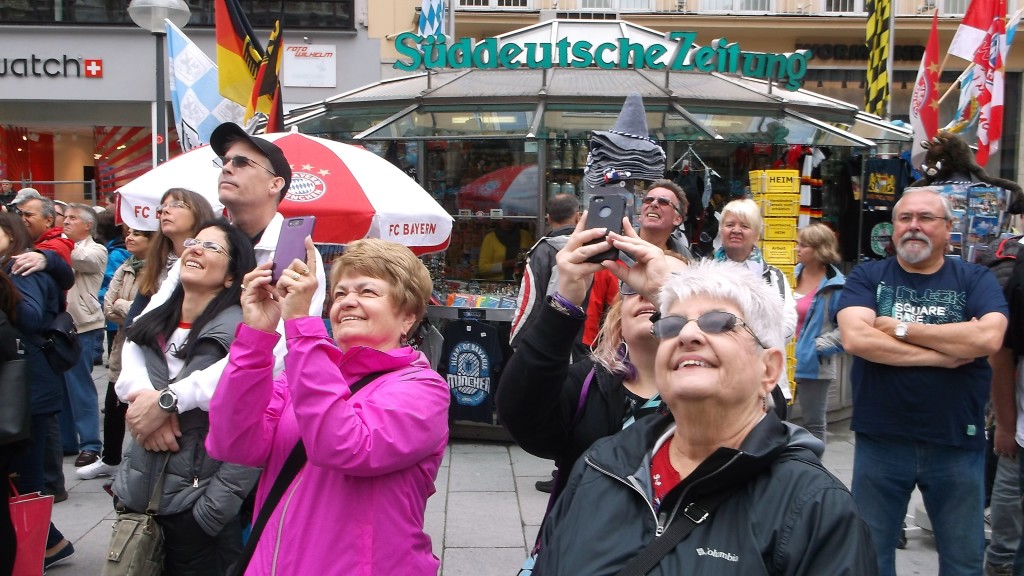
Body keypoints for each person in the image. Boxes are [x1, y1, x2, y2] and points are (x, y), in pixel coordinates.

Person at [532, 257, 876, 574]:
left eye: (718, 323)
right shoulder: (601, 464)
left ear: (768, 370)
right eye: (671, 326)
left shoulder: (816, 509)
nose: (688, 334)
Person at [207, 238, 450, 575]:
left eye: (367, 292)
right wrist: (256, 337)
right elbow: (232, 442)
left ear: (407, 316)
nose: (348, 302)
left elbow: (346, 446)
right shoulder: (304, 376)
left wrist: (302, 330)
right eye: (340, 294)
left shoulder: (422, 388)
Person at [837, 187, 1008, 576]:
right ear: (893, 228)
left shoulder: (975, 278)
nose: (914, 226)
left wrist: (897, 327)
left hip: (956, 443)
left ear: (949, 229)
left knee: (963, 562)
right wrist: (945, 355)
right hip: (881, 440)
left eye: (926, 218)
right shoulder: (868, 275)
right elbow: (856, 339)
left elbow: (987, 339)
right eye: (905, 218)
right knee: (870, 558)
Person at [497, 216, 683, 500]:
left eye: (671, 287)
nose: (649, 294)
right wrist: (564, 303)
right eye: (634, 287)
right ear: (619, 315)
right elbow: (521, 413)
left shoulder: (713, 388)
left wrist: (669, 302)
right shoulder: (589, 384)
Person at [112, 220, 259, 575]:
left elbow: (253, 427)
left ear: (231, 276)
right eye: (195, 241)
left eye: (212, 247)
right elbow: (126, 385)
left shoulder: (245, 332)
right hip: (139, 501)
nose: (195, 248)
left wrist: (208, 514)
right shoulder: (151, 323)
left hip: (197, 512)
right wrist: (148, 408)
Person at [0, 213, 76, 569]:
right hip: (25, 386)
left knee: (26, 475)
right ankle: (47, 543)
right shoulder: (22, 265)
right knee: (24, 473)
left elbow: (30, 317)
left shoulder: (22, 268)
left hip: (26, 387)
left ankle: (36, 547)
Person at [76, 227, 152, 481]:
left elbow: (151, 313)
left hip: (146, 348)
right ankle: (110, 459)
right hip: (121, 344)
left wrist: (126, 308)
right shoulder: (126, 266)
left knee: (141, 408)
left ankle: (140, 465)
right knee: (113, 404)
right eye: (129, 233)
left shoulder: (159, 270)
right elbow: (108, 306)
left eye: (137, 235)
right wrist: (127, 308)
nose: (129, 238)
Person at [713, 198, 796, 417]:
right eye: (730, 224)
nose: (736, 230)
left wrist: (749, 342)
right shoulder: (706, 274)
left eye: (745, 226)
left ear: (756, 234)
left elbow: (787, 324)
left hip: (765, 379)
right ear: (721, 230)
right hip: (719, 380)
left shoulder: (773, 277)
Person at [60, 203, 107, 469]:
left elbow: (77, 259)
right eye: (64, 217)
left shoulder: (96, 250)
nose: (66, 222)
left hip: (84, 325)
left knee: (80, 387)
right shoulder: (62, 246)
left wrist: (56, 245)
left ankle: (90, 445)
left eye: (72, 218)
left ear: (88, 225)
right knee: (61, 388)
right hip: (59, 326)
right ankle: (66, 440)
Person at [792, 223, 845, 447]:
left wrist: (817, 347)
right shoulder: (788, 274)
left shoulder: (837, 287)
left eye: (803, 245)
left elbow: (847, 329)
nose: (797, 249)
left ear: (818, 250)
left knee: (813, 424)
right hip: (781, 360)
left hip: (814, 366)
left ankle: (814, 474)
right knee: (775, 420)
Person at [509, 193, 579, 350]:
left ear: (548, 219)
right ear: (578, 217)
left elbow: (530, 303)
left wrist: (517, 343)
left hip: (552, 347)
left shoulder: (542, 252)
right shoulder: (595, 249)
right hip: (589, 349)